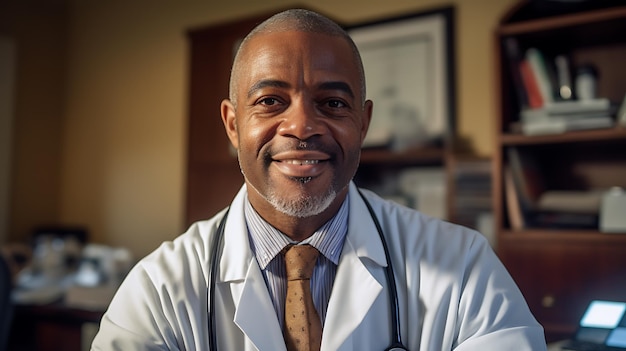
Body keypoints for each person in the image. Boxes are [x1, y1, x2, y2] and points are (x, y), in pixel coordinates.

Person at [91, 8, 547, 351]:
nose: (302, 126)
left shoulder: (463, 267)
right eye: (270, 101)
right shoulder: (158, 291)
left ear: (363, 123)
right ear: (232, 125)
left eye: (332, 103)